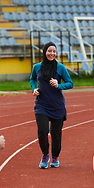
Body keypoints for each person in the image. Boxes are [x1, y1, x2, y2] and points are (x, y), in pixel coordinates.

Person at [30, 41, 73, 169]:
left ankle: (55, 156)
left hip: (57, 106)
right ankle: (45, 155)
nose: (52, 53)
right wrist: (34, 89)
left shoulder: (60, 68)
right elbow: (32, 79)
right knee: (42, 130)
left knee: (56, 134)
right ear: (44, 52)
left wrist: (58, 85)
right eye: (49, 51)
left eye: (54, 51)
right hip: (42, 104)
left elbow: (70, 83)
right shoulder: (37, 67)